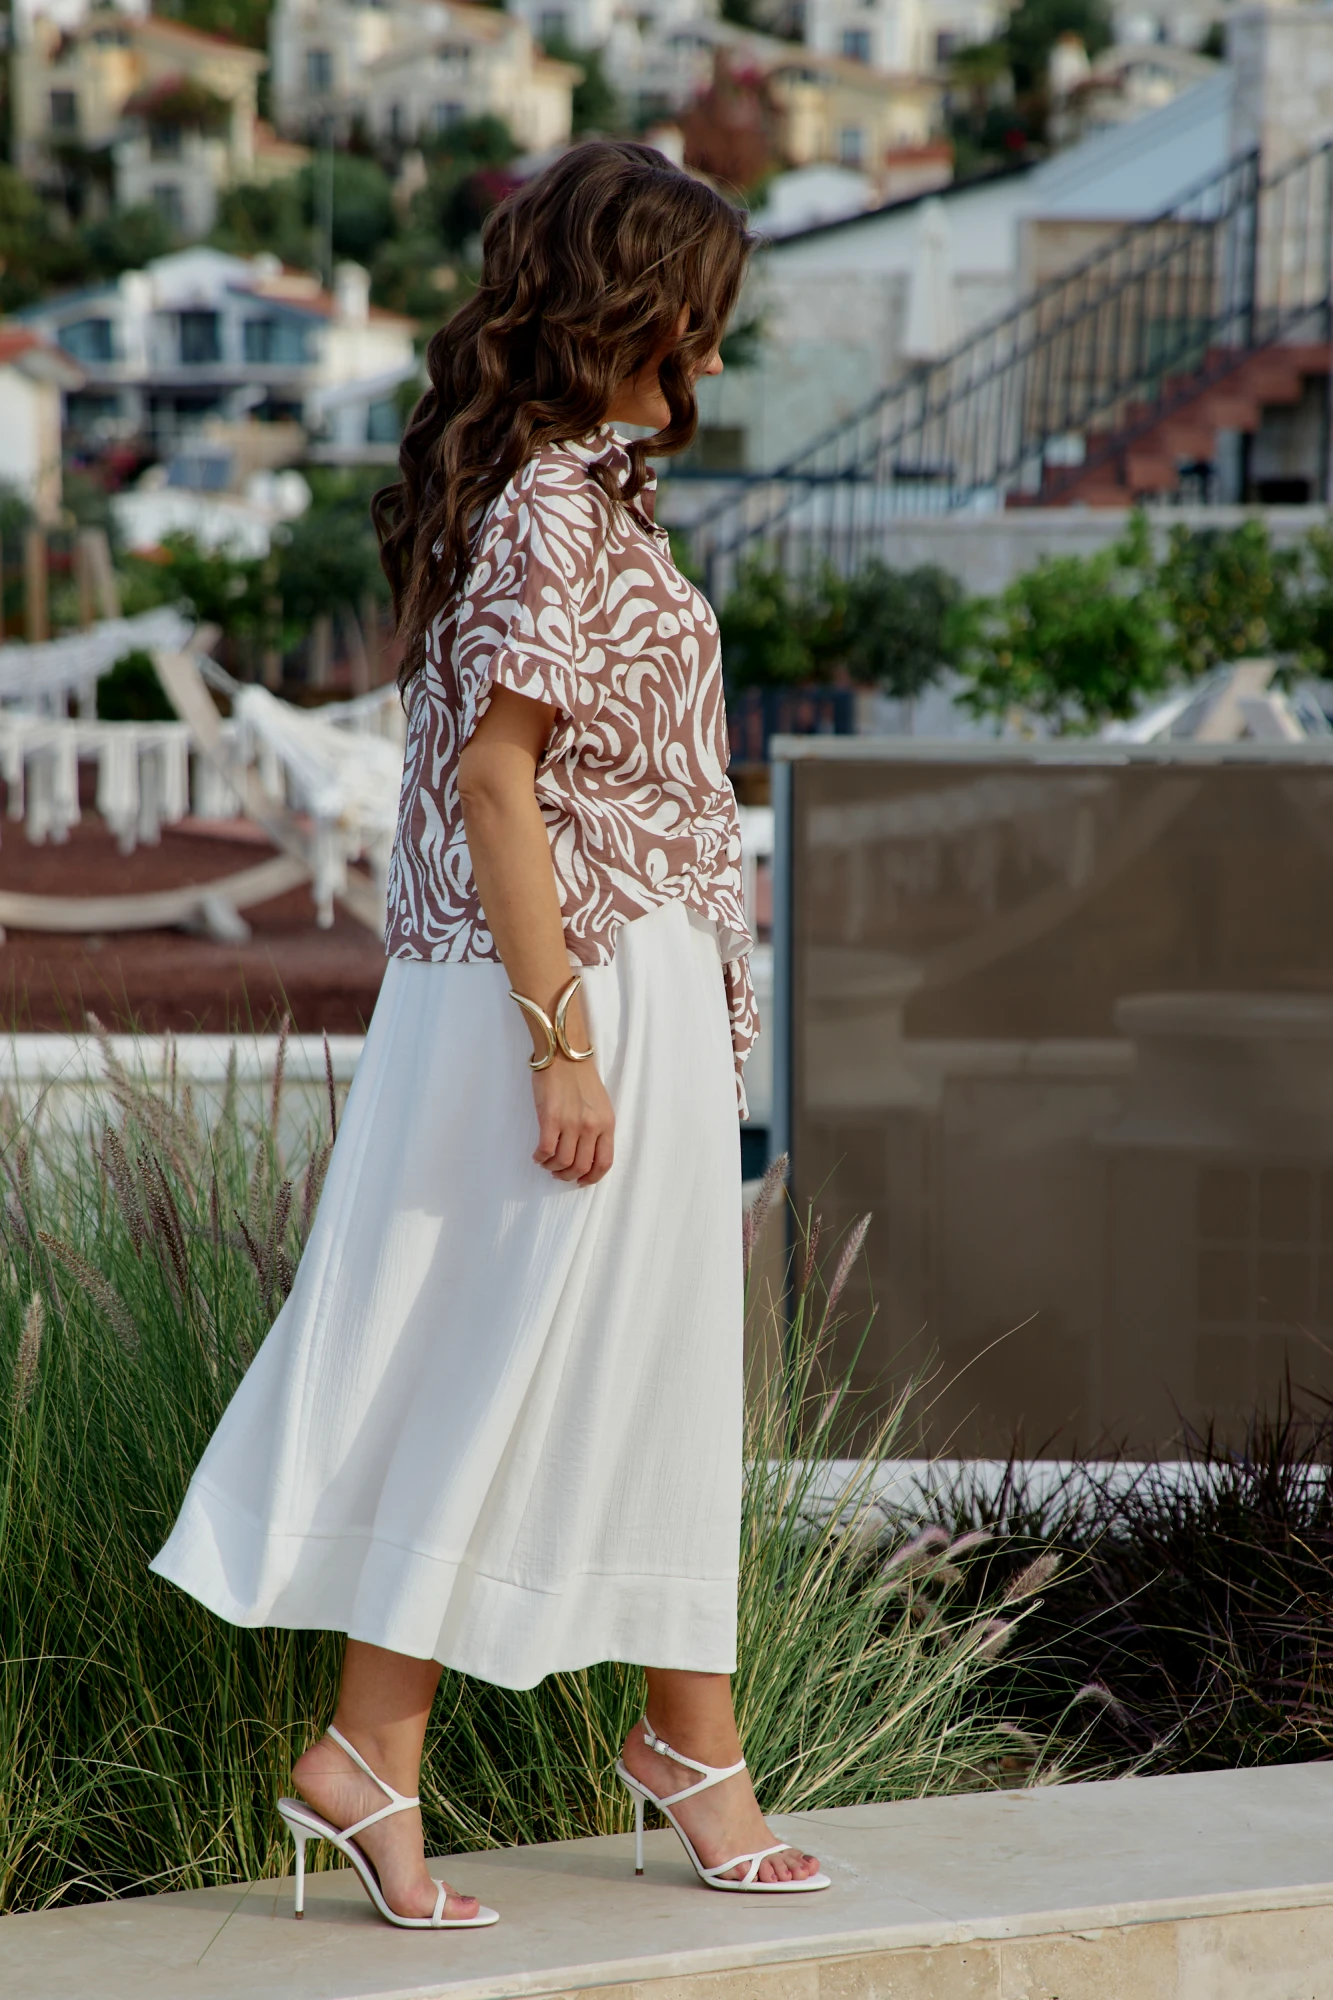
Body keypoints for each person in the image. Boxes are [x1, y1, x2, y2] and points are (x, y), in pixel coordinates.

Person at [150, 138, 827, 1932]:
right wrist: (561, 1040)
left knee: (629, 1359)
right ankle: (417, 1746)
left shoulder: (581, 499)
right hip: (573, 980)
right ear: (632, 308)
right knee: (506, 1352)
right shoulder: (547, 508)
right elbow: (498, 781)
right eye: (699, 314)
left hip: (607, 979)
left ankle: (632, 1743)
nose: (713, 350)